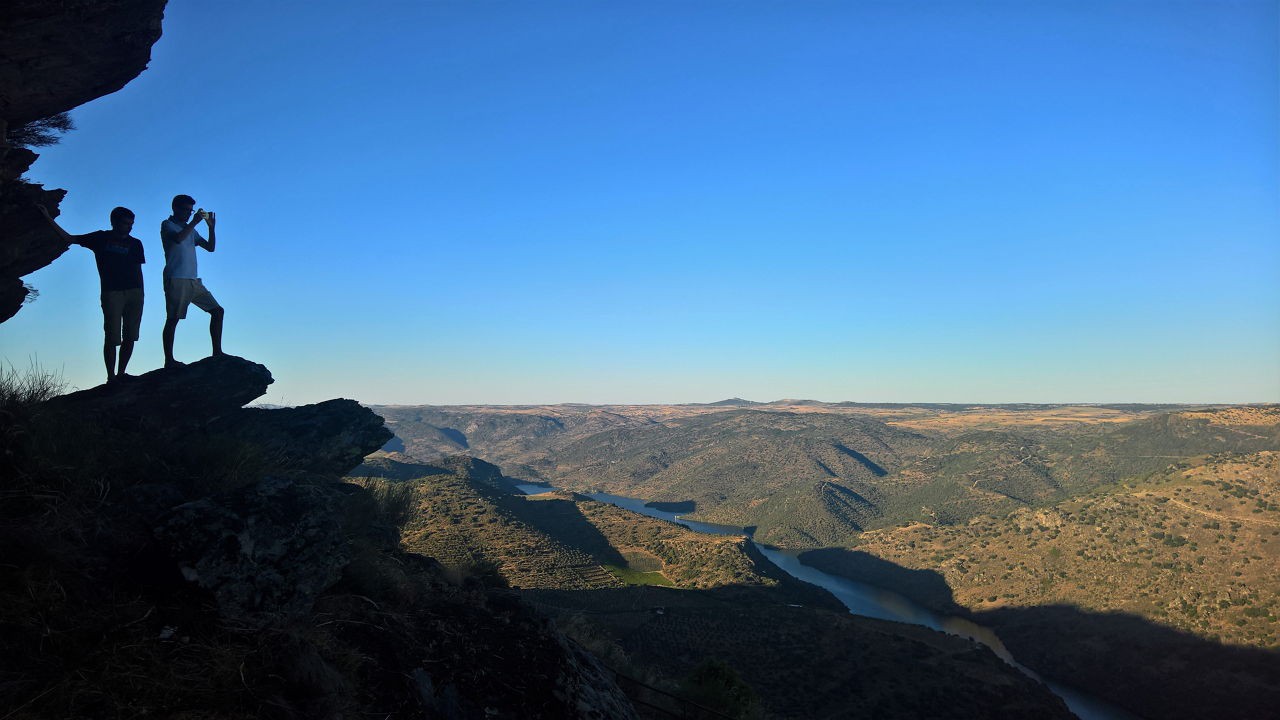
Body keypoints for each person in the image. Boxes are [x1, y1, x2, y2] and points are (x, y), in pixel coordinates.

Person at [39, 205, 146, 383]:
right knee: (112, 336)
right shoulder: (100, 238)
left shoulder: (136, 243)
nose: (129, 227)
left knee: (130, 335)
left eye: (131, 223)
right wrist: (47, 217)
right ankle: (111, 377)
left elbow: (138, 268)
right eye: (126, 223)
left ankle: (121, 374)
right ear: (114, 222)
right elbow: (69, 238)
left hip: (135, 292)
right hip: (112, 292)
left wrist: (141, 293)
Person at [161, 194, 224, 368]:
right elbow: (178, 238)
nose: (189, 214)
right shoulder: (167, 225)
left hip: (193, 280)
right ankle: (169, 360)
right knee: (173, 319)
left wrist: (211, 228)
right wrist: (194, 222)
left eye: (191, 211)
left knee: (218, 311)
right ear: (175, 208)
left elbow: (210, 248)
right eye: (186, 210)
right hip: (176, 278)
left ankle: (217, 352)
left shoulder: (190, 229)